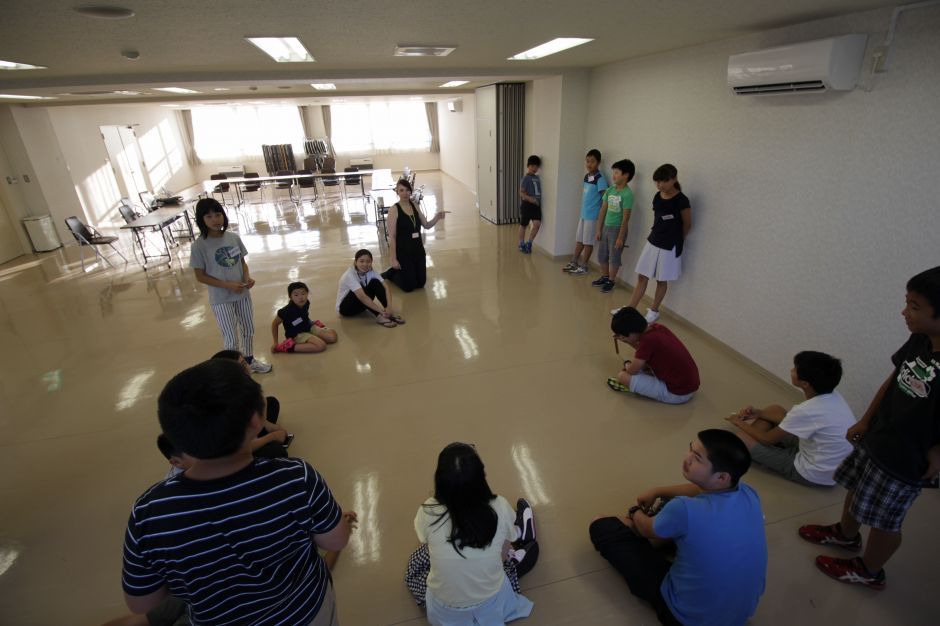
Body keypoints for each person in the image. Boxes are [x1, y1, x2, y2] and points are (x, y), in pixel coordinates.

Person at [121, 359, 355, 625]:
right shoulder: (294, 477)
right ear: (256, 421)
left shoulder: (149, 512)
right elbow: (335, 542)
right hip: (305, 612)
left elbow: (141, 601)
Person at [799, 266, 940, 590]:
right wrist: (865, 420)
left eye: (915, 307)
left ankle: (869, 569)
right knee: (857, 487)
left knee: (885, 519)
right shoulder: (920, 339)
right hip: (879, 436)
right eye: (907, 302)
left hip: (908, 458)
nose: (905, 312)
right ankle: (846, 535)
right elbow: (894, 379)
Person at [589, 430, 767, 626]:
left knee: (602, 524)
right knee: (684, 526)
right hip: (738, 617)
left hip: (685, 618)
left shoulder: (684, 509)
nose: (687, 458)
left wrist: (634, 512)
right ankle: (669, 534)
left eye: (697, 458)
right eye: (691, 449)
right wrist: (659, 490)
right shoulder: (748, 493)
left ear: (722, 477)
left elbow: (646, 528)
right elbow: (700, 489)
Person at [412, 442, 538, 624]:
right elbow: (502, 550)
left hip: (444, 613)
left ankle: (518, 546)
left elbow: (423, 539)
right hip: (490, 603)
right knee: (502, 548)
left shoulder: (428, 510)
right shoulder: (499, 507)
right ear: (482, 476)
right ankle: (519, 548)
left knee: (418, 560)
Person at [726, 351, 856, 486]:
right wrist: (758, 413)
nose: (791, 370)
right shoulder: (833, 395)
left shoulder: (806, 411)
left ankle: (751, 446)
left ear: (805, 384)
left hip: (813, 473)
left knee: (741, 438)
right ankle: (758, 439)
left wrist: (739, 422)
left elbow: (767, 440)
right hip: (830, 463)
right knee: (774, 409)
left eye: (795, 369)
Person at [190, 198, 271, 373]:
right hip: (221, 299)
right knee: (231, 336)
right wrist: (226, 285)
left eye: (218, 214)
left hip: (242, 294)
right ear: (201, 220)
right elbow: (200, 276)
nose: (215, 219)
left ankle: (249, 361)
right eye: (209, 216)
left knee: (248, 329)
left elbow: (242, 263)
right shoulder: (199, 246)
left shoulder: (233, 238)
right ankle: (234, 370)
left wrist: (247, 278)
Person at [614, 164, 691, 323]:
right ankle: (630, 310)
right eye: (657, 182)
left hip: (670, 245)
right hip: (653, 240)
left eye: (664, 181)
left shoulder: (682, 200)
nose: (660, 185)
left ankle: (654, 311)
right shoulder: (657, 196)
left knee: (661, 280)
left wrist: (678, 240)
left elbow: (687, 224)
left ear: (674, 179)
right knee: (642, 276)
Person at [607, 306, 699, 404]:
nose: (622, 338)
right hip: (690, 385)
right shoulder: (657, 328)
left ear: (631, 333)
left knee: (622, 376)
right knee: (642, 366)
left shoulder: (647, 341)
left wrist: (628, 366)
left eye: (623, 336)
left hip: (678, 394)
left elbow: (632, 371)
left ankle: (639, 388)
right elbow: (644, 351)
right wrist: (628, 341)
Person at [211, 350, 291, 459]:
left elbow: (257, 405)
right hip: (235, 453)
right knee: (276, 451)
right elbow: (238, 448)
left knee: (271, 402)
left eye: (244, 363)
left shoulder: (240, 387)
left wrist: (268, 425)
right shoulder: (228, 405)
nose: (246, 368)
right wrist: (271, 437)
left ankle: (261, 434)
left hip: (247, 433)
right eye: (239, 367)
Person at [382, 178, 448, 292]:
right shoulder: (394, 210)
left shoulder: (415, 206)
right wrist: (393, 258)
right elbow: (392, 236)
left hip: (418, 249)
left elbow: (426, 225)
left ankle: (403, 272)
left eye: (407, 190)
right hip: (403, 252)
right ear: (397, 191)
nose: (405, 193)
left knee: (420, 284)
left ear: (411, 191)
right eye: (401, 190)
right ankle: (391, 274)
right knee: (409, 287)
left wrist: (437, 217)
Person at [592, 159, 635, 293]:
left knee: (614, 257)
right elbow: (603, 210)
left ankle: (611, 280)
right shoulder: (610, 190)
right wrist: (598, 229)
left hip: (617, 229)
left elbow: (625, 218)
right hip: (606, 227)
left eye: (617, 172)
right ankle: (605, 277)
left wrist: (620, 238)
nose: (614, 175)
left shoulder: (627, 194)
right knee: (602, 255)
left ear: (626, 175)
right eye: (613, 172)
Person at [562, 149, 608, 275]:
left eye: (592, 161)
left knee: (588, 241)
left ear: (598, 162)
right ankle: (574, 262)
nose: (589, 164)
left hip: (593, 217)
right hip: (584, 214)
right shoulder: (587, 177)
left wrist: (601, 217)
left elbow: (605, 198)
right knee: (580, 239)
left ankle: (584, 266)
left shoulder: (600, 178)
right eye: (587, 161)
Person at [336, 249, 404, 327]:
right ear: (355, 262)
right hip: (346, 309)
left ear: (371, 262)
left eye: (368, 261)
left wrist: (389, 306)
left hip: (361, 306)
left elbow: (386, 288)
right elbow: (362, 297)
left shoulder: (371, 271)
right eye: (361, 261)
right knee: (360, 289)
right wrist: (380, 312)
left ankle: (389, 313)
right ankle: (379, 316)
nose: (365, 264)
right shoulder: (349, 275)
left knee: (375, 282)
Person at [272, 281, 338, 353]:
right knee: (321, 346)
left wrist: (310, 323)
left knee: (332, 338)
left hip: (308, 326)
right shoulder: (285, 311)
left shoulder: (306, 303)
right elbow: (274, 324)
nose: (301, 297)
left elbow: (303, 315)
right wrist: (275, 342)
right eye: (296, 295)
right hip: (296, 334)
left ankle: (315, 324)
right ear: (290, 297)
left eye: (303, 293)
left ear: (307, 293)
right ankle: (288, 347)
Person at [518, 155, 542, 254]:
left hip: (536, 206)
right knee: (524, 224)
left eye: (536, 166)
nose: (534, 168)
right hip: (527, 205)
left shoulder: (537, 178)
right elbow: (521, 193)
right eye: (532, 166)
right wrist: (530, 199)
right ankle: (521, 243)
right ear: (528, 166)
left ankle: (529, 243)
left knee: (537, 224)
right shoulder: (525, 178)